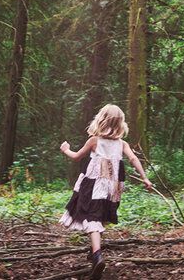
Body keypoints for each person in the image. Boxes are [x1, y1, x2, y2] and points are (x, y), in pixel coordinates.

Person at [59, 104, 153, 279]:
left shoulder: (94, 140)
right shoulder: (122, 144)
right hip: (114, 186)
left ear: (101, 120)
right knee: (100, 215)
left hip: (94, 183)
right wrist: (145, 178)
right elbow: (133, 159)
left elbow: (77, 156)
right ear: (120, 124)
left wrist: (65, 150)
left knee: (91, 216)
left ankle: (97, 255)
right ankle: (93, 251)